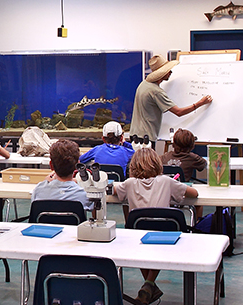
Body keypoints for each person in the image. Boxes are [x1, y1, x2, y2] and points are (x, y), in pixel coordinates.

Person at [112, 147, 199, 304]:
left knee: (139, 244)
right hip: (164, 236)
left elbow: (115, 191)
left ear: (133, 166)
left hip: (136, 236)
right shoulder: (166, 181)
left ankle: (149, 285)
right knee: (155, 241)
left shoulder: (129, 183)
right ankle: (149, 285)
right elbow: (194, 193)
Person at [131, 55, 213, 140]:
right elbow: (178, 112)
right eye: (168, 70)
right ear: (162, 73)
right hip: (146, 138)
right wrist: (200, 103)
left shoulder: (144, 84)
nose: (170, 72)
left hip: (136, 134)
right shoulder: (156, 91)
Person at [31, 140, 95, 211]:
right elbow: (95, 213)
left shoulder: (39, 190)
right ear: (77, 166)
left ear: (51, 165)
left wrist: (44, 183)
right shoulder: (83, 194)